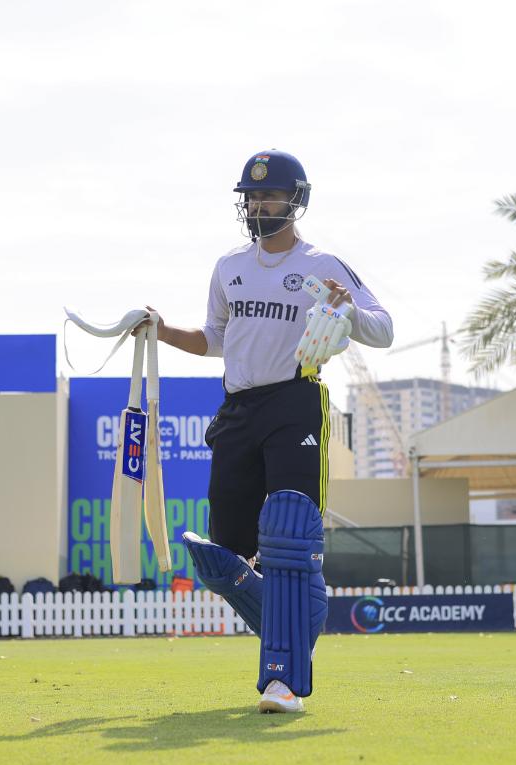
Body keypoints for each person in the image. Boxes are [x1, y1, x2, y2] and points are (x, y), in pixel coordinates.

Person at [144, 149, 393, 712]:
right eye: (251, 197)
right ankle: (301, 624)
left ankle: (283, 683)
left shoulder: (323, 262)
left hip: (294, 402)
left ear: (295, 199)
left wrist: (348, 311)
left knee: (288, 533)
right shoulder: (228, 266)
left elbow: (383, 329)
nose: (258, 204)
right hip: (237, 409)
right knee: (225, 555)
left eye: (269, 195)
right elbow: (214, 338)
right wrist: (160, 330)